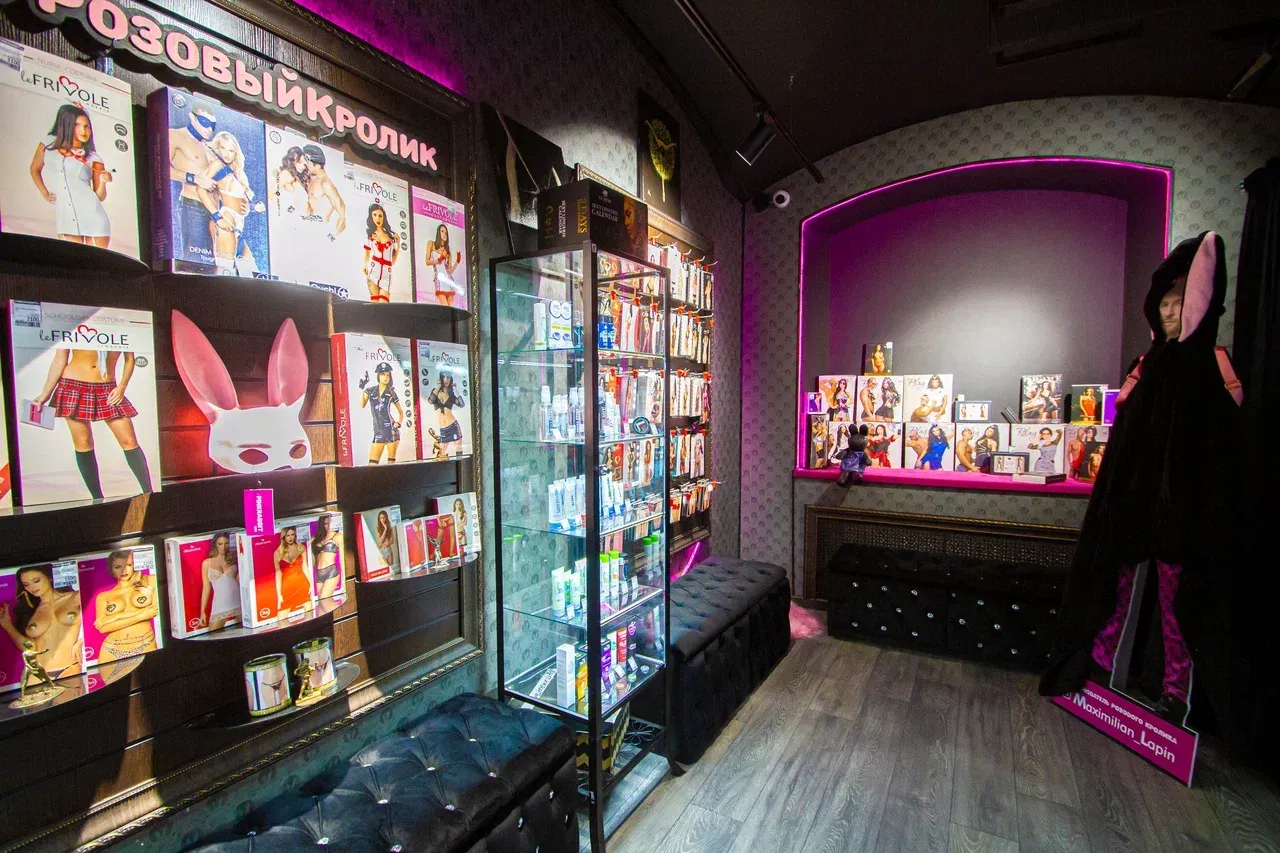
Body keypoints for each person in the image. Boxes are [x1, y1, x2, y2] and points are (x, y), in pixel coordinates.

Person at [1041, 232, 1245, 731]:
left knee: (1179, 607)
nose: (1171, 313)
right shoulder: (1144, 368)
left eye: (1180, 303)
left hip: (1187, 512)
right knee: (1116, 591)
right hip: (1132, 504)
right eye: (1165, 304)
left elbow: (1221, 447)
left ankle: (1177, 694)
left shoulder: (1213, 367)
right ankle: (1100, 670)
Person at [32, 347, 153, 500]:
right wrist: (45, 394)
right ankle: (98, 500)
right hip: (73, 386)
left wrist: (122, 386)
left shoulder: (119, 330)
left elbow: (129, 359)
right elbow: (60, 359)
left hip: (108, 388)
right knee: (83, 443)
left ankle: (150, 494)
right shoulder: (72, 330)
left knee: (129, 442)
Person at [29, 104, 113, 248]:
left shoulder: (94, 158)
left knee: (96, 260)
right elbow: (34, 169)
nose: (84, 130)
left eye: (87, 126)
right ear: (66, 124)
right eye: (77, 125)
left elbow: (99, 197)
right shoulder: (48, 145)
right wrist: (44, 193)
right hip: (65, 216)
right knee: (71, 259)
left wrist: (103, 182)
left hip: (93, 217)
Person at [198, 130, 262, 277]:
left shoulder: (238, 171)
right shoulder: (217, 165)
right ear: (218, 147)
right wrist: (217, 217)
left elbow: (242, 198)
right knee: (225, 273)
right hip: (227, 219)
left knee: (252, 275)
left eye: (231, 150)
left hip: (239, 224)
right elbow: (200, 189)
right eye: (223, 148)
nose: (226, 154)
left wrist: (249, 208)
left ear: (236, 152)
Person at [0, 565, 81, 677]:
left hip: (69, 668)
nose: (32, 587)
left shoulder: (76, 597)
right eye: (26, 584)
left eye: (36, 581)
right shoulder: (30, 610)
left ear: (49, 577)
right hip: (36, 673)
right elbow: (30, 648)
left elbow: (95, 616)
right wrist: (7, 625)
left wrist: (82, 640)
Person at [166, 106, 217, 258]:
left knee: (215, 263)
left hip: (217, 211)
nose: (209, 129)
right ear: (192, 117)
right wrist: (194, 179)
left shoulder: (210, 146)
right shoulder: (175, 135)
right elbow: (161, 169)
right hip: (194, 206)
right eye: (204, 122)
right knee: (196, 261)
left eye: (212, 125)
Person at [92, 550, 158, 663]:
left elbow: (154, 611)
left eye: (128, 565)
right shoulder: (103, 596)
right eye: (118, 567)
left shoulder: (149, 580)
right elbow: (103, 628)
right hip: (111, 650)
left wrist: (115, 617)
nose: (124, 570)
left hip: (145, 643)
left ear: (135, 565)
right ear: (111, 569)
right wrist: (141, 615)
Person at [360, 362, 403, 464]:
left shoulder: (391, 392)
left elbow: (401, 412)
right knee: (372, 464)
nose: (386, 377)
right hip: (378, 432)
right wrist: (362, 388)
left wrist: (398, 423)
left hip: (391, 432)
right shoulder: (370, 391)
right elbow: (362, 405)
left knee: (391, 465)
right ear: (378, 375)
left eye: (388, 375)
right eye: (383, 374)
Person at [199, 532, 240, 631]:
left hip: (238, 602)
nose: (223, 547)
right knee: (213, 635)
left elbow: (240, 581)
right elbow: (206, 587)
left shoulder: (234, 559)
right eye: (220, 544)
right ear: (215, 545)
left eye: (226, 543)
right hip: (219, 604)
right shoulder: (207, 563)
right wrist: (202, 611)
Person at [363, 203, 399, 303]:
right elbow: (367, 253)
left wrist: (398, 244)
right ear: (371, 217)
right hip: (373, 272)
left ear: (384, 217)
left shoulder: (391, 236)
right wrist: (365, 265)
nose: (377, 218)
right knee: (374, 306)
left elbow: (393, 261)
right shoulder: (370, 234)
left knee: (383, 306)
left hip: (387, 276)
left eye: (380, 215)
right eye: (374, 215)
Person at [274, 527, 312, 616]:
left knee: (309, 616)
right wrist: (279, 595)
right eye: (288, 535)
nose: (290, 537)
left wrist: (311, 584)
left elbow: (305, 567)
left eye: (292, 535)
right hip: (287, 589)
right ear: (283, 537)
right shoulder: (277, 553)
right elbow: (278, 575)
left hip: (302, 585)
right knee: (282, 619)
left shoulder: (301, 548)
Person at [426, 370, 466, 457]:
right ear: (441, 378)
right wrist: (438, 385)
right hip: (443, 429)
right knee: (441, 454)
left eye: (448, 377)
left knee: (459, 452)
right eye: (444, 377)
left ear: (450, 379)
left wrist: (455, 389)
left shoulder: (451, 395)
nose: (446, 379)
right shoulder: (435, 392)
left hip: (453, 426)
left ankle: (460, 465)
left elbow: (462, 404)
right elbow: (430, 400)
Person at [425, 223, 462, 307]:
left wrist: (457, 262)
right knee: (445, 307)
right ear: (438, 233)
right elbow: (427, 262)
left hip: (448, 281)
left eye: (446, 233)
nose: (444, 234)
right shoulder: (431, 244)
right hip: (439, 280)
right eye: (442, 231)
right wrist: (439, 259)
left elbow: (450, 271)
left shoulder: (448, 251)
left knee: (450, 309)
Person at [310, 515, 343, 600]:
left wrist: (343, 580)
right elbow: (312, 560)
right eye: (326, 524)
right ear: (322, 525)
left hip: (331, 571)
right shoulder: (315, 539)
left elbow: (342, 559)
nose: (329, 526)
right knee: (321, 602)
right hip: (318, 573)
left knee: (324, 599)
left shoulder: (338, 536)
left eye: (330, 523)